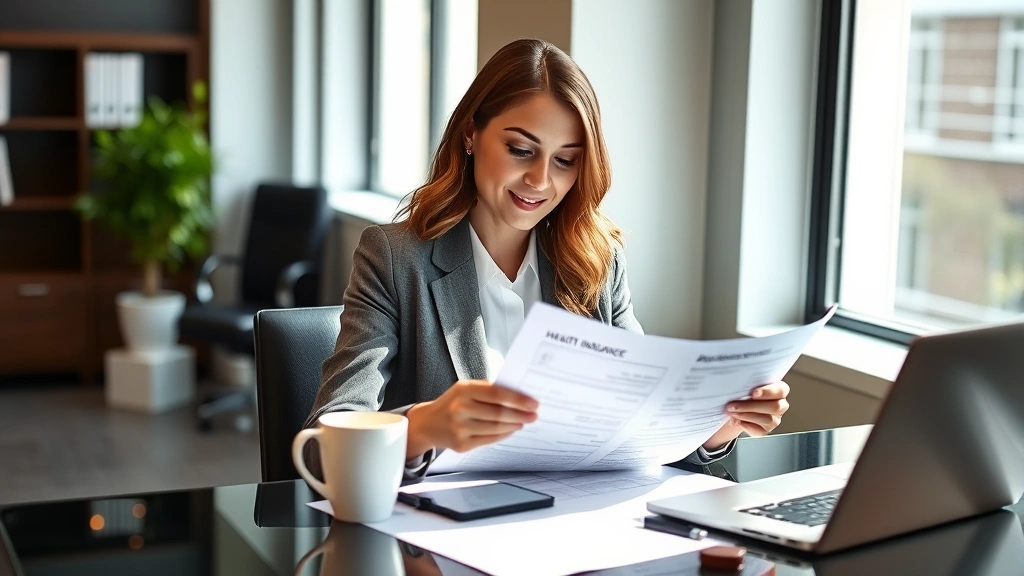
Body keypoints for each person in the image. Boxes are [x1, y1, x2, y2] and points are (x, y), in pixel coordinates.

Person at [303, 39, 790, 481]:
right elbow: (325, 443)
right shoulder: (395, 258)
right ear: (470, 134)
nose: (540, 180)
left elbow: (640, 425)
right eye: (520, 150)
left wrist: (716, 427)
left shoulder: (598, 262)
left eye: (565, 159)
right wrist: (422, 427)